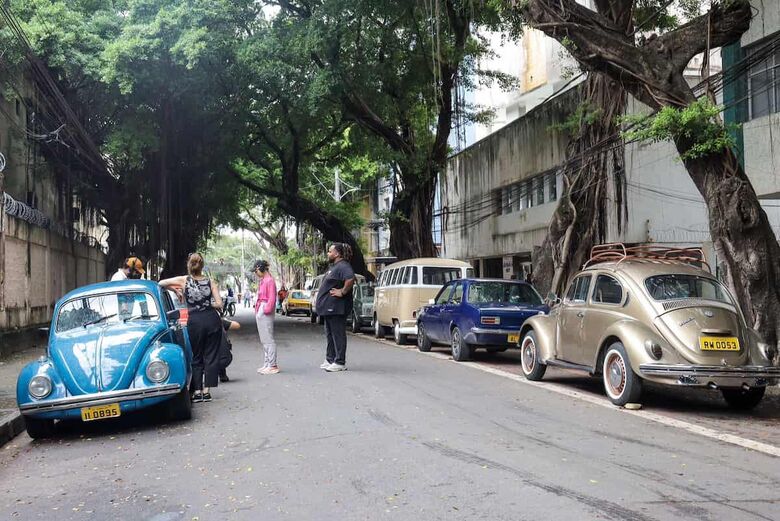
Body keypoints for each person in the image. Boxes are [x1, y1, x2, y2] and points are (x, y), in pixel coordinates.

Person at [160, 253, 223, 402]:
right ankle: (207, 391)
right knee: (211, 355)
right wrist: (208, 304)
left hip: (195, 321)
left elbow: (161, 282)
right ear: (202, 266)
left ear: (189, 265)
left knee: (197, 355)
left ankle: (197, 392)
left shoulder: (184, 280)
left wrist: (175, 289)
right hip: (211, 319)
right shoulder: (210, 281)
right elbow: (219, 304)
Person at [316, 243, 356, 372]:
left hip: (337, 307)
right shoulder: (335, 267)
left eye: (330, 251)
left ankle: (339, 362)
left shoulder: (343, 266)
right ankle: (330, 359)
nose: (328, 253)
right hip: (329, 308)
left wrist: (342, 292)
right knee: (330, 334)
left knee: (337, 334)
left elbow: (350, 278)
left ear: (337, 253)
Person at [253, 259, 279, 374]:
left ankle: (272, 364)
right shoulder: (263, 280)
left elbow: (272, 298)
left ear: (260, 268)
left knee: (268, 338)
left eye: (256, 270)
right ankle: (267, 363)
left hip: (265, 309)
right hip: (261, 309)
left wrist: (266, 310)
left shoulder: (269, 281)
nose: (255, 273)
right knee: (264, 339)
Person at [219, 318, 240, 382]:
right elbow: (237, 325)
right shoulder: (219, 321)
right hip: (225, 359)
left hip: (206, 361)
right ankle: (222, 374)